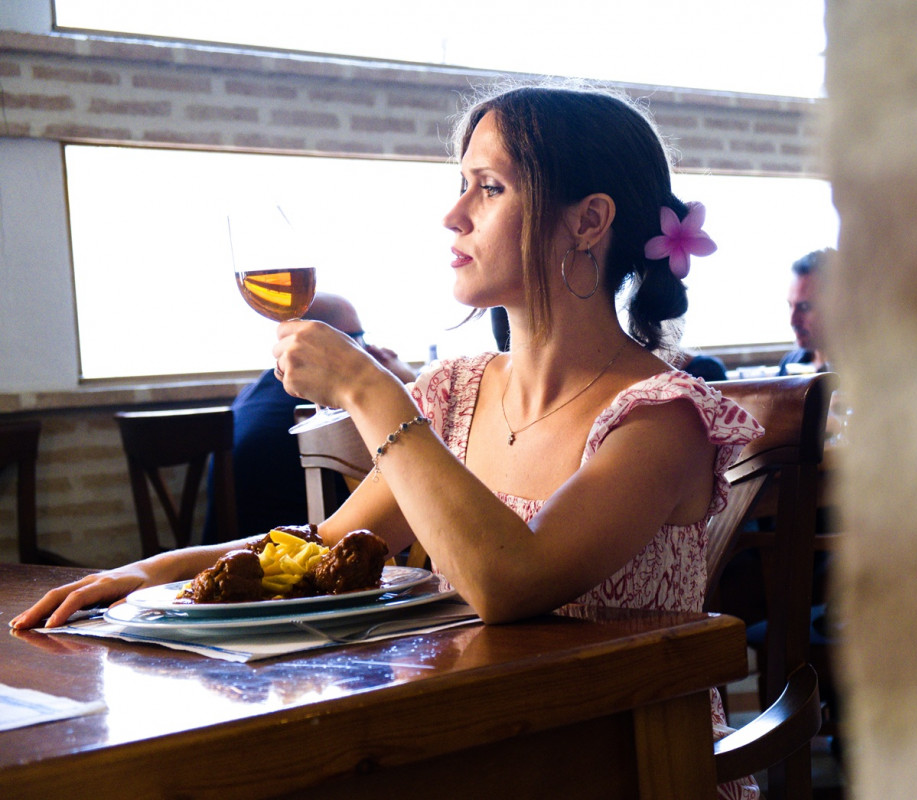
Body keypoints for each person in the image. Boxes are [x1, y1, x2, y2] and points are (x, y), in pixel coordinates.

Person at [14, 83, 763, 799]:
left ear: (589, 221)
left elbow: (509, 586)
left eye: (489, 187)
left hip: (631, 759)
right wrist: (151, 575)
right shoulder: (458, 392)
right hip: (484, 740)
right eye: (460, 184)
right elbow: (321, 549)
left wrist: (369, 391)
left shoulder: (663, 416)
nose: (453, 215)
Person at [202, 292, 415, 544]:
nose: (368, 350)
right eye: (358, 339)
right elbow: (410, 482)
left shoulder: (255, 393)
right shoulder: (335, 409)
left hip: (233, 551)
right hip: (299, 554)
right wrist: (406, 385)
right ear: (323, 341)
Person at [778, 247, 835, 375]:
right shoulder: (790, 363)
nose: (793, 320)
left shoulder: (859, 371)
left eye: (804, 307)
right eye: (790, 306)